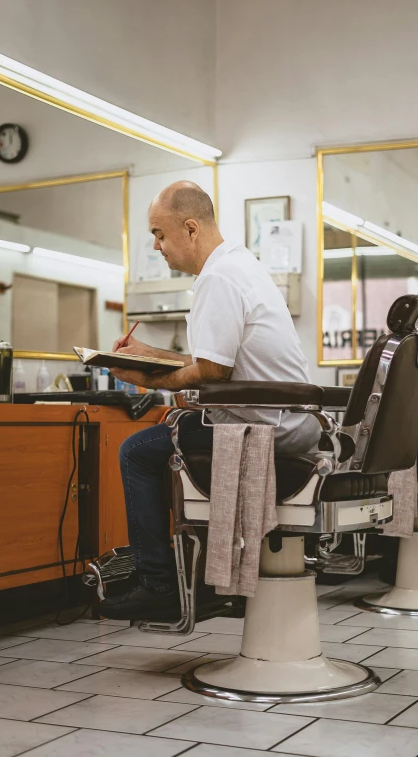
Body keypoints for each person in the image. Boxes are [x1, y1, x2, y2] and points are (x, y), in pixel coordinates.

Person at [100, 181, 319, 620]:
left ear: (191, 228)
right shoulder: (239, 266)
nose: (157, 245)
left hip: (266, 429)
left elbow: (211, 375)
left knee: (138, 451)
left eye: (160, 234)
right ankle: (198, 577)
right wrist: (151, 358)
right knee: (165, 439)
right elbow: (211, 363)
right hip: (293, 423)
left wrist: (145, 379)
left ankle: (159, 583)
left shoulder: (218, 278)